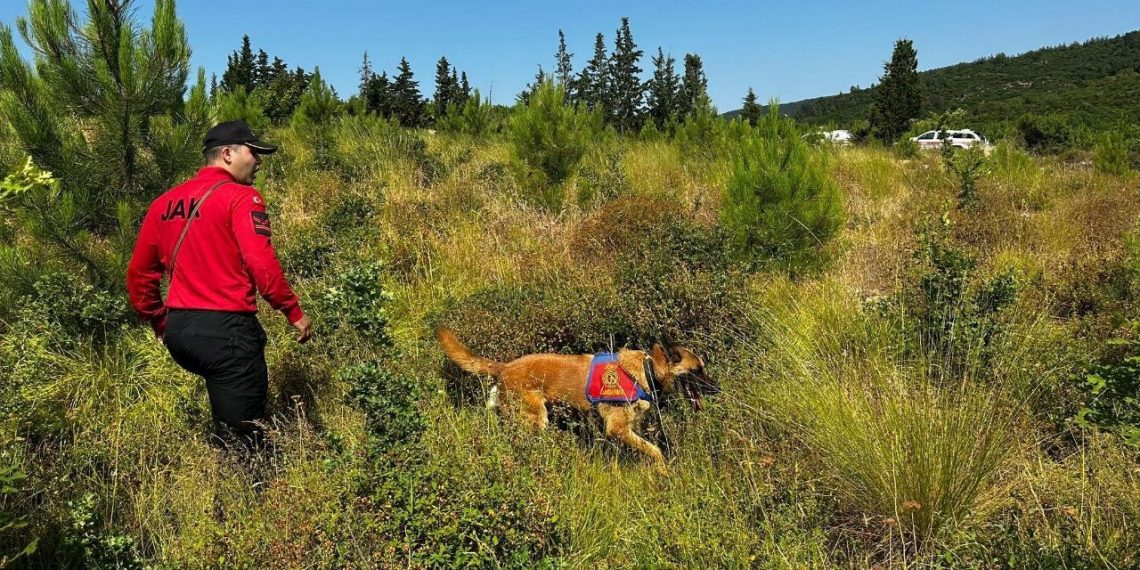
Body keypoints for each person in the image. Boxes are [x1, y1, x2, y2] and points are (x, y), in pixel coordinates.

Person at [127, 120, 312, 450]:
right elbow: (261, 263)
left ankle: (221, 471)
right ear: (228, 153)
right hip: (227, 331)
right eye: (254, 152)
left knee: (227, 414)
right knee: (246, 442)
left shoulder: (164, 203)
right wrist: (293, 311)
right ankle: (247, 494)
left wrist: (159, 321)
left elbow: (140, 274)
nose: (259, 160)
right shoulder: (241, 197)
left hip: (180, 332)